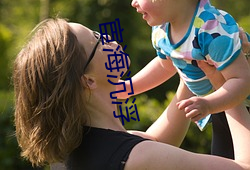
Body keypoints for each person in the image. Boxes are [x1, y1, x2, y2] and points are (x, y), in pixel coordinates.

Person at [13, 18, 250, 170]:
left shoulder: (77, 152)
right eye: (98, 40)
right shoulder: (137, 158)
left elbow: (157, 141)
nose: (110, 39)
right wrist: (226, 85)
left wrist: (189, 58)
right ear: (88, 80)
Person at [121, 0, 250, 158]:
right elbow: (165, 65)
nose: (133, 2)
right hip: (221, 108)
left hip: (239, 105)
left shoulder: (210, 29)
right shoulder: (162, 30)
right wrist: (129, 88)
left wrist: (209, 104)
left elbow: (242, 80)